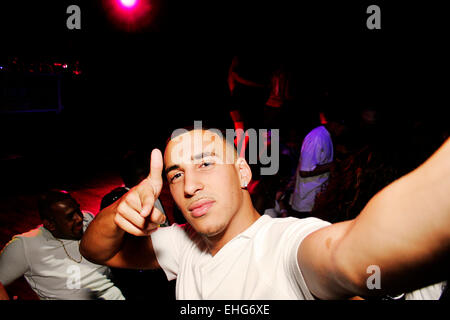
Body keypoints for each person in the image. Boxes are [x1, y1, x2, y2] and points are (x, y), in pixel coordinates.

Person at [80, 127, 450, 300]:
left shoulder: (285, 244)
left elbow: (346, 255)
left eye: (206, 163)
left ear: (242, 172)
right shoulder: (183, 245)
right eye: (176, 174)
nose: (189, 186)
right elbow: (97, 251)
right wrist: (122, 209)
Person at [0, 190, 124, 300]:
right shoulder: (25, 246)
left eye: (78, 210)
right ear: (50, 225)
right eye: (70, 217)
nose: (79, 218)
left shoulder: (89, 220)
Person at [287, 109, 347, 218]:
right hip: (307, 202)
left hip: (316, 200)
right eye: (342, 127)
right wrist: (331, 165)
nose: (343, 130)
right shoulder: (316, 137)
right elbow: (305, 171)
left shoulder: (326, 136)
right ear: (335, 124)